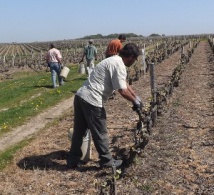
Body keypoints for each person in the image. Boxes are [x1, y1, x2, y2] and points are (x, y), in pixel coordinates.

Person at [67, 43, 143, 169]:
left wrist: (136, 98)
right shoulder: (118, 64)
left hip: (81, 96)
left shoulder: (113, 60)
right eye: (135, 59)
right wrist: (135, 102)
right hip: (92, 100)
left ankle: (72, 160)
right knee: (100, 132)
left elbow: (124, 84)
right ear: (130, 56)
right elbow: (122, 91)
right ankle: (107, 161)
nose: (134, 62)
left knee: (79, 132)